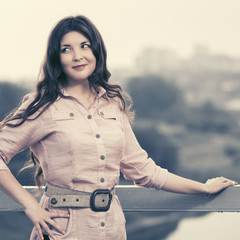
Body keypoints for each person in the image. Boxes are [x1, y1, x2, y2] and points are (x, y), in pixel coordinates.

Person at [0, 15, 237, 240]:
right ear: (56, 57)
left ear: (96, 50)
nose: (77, 55)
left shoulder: (112, 104)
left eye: (85, 46)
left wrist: (204, 188)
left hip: (112, 228)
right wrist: (29, 205)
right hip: (63, 229)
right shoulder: (43, 105)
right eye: (66, 49)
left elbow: (144, 171)